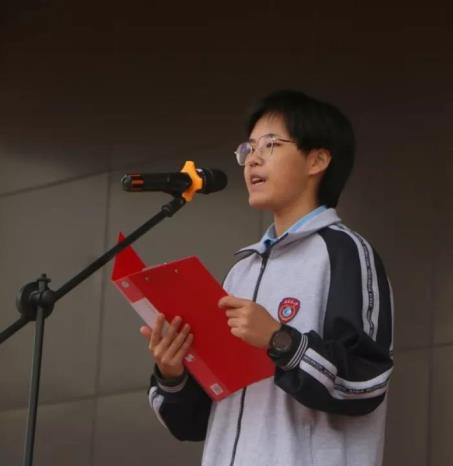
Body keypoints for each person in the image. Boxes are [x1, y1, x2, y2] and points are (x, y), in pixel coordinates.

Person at [139, 90, 394, 466]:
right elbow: (193, 423)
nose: (253, 159)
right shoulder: (241, 271)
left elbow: (365, 382)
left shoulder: (344, 253)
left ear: (317, 159)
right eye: (249, 148)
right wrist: (173, 373)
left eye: (271, 144)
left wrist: (279, 340)